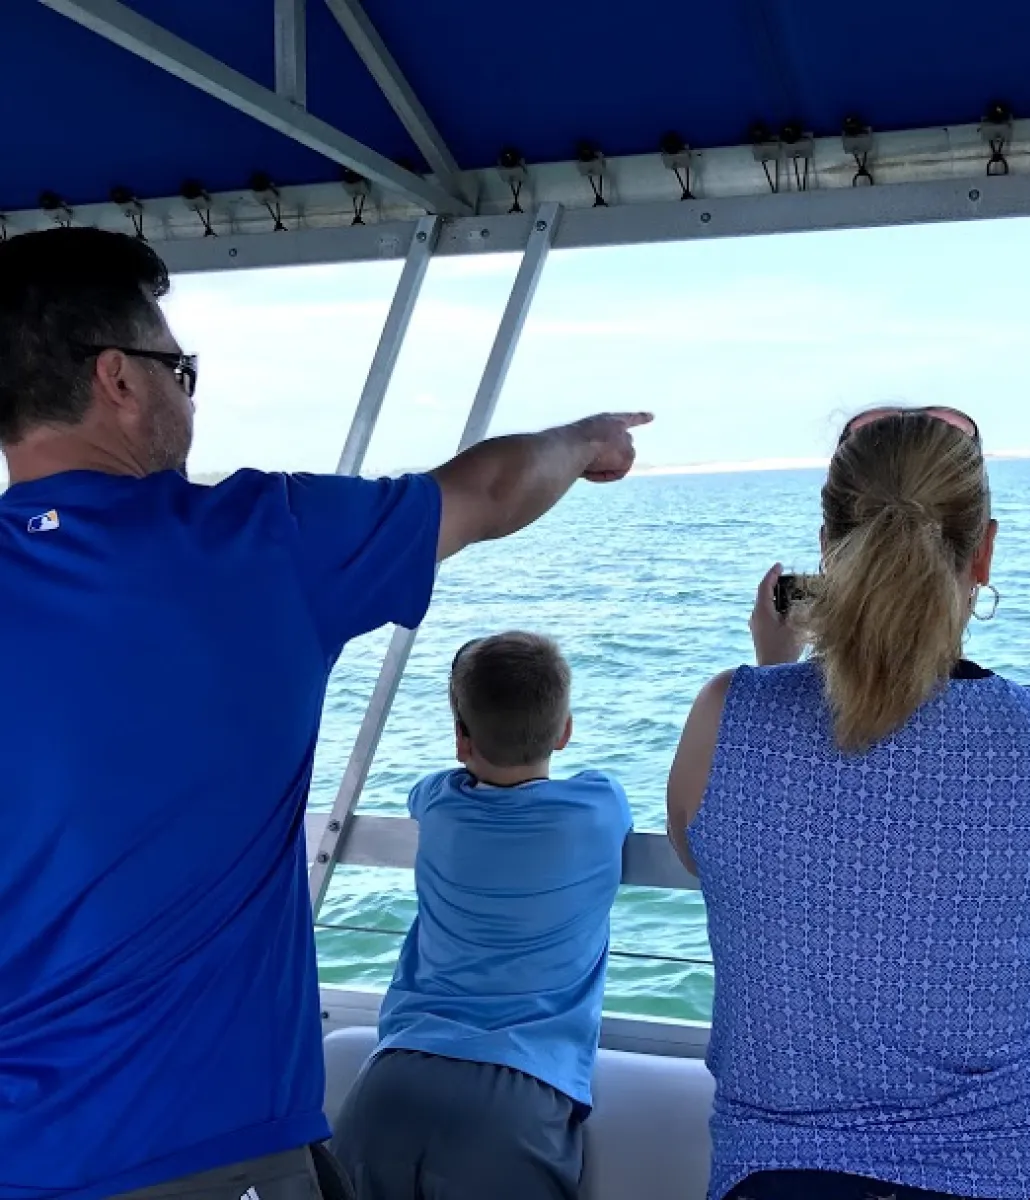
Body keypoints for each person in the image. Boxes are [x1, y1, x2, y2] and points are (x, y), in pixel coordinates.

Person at [0, 227, 650, 1200]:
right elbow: (487, 489)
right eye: (179, 367)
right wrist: (587, 440)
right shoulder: (260, 544)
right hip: (212, 1146)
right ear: (119, 380)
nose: (186, 392)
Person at [666, 408, 1030, 1200]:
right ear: (983, 551)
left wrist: (773, 666)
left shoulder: (729, 715)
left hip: (798, 1169)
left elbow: (704, 853)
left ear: (827, 550)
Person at [332, 631, 632, 1200]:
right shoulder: (599, 806)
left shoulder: (441, 802)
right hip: (521, 1093)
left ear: (461, 741)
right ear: (565, 730)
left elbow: (425, 791)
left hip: (393, 1080)